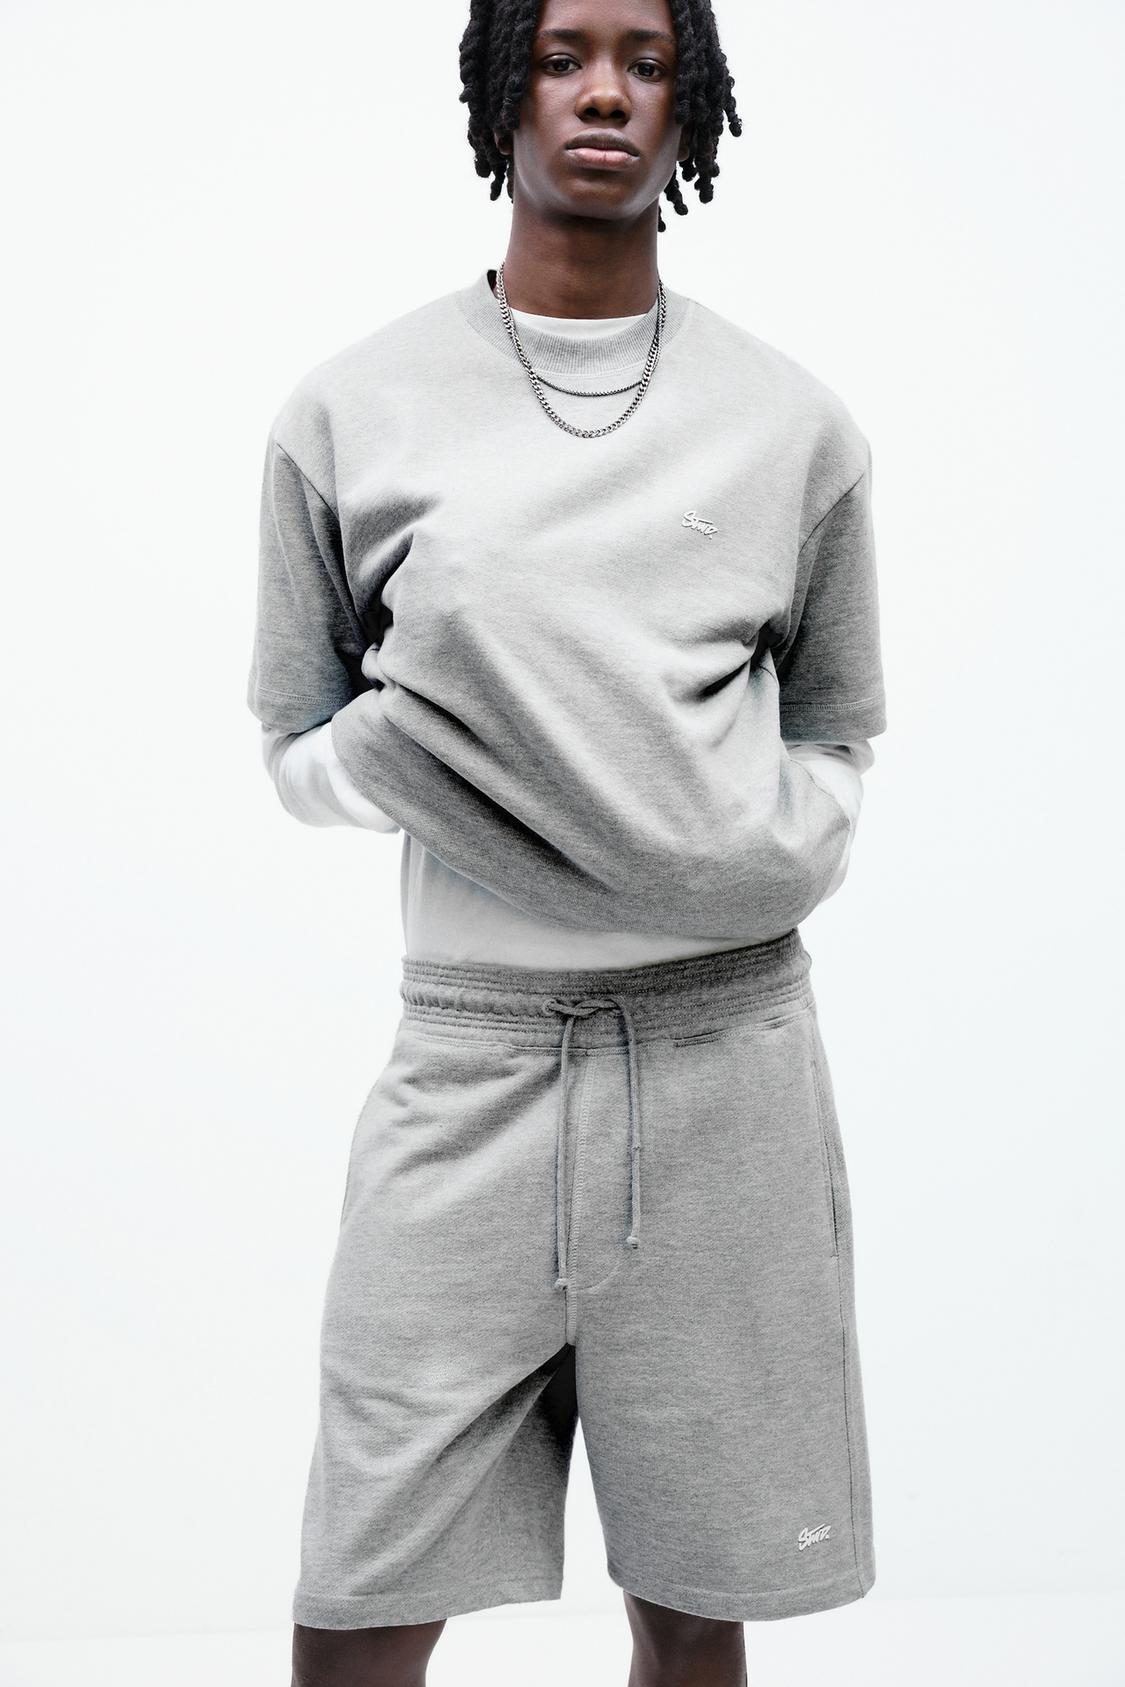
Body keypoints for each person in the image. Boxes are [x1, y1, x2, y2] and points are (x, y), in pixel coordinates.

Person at [246, 1, 888, 1682]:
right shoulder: (355, 409)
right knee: (363, 1589)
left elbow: (834, 737)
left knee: (694, 1601)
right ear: (499, 90)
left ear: (691, 104)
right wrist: (435, 738)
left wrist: (724, 855)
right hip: (472, 1070)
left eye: (647, 62)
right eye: (559, 55)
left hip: (724, 1061)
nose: (604, 92)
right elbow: (295, 745)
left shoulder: (790, 424)